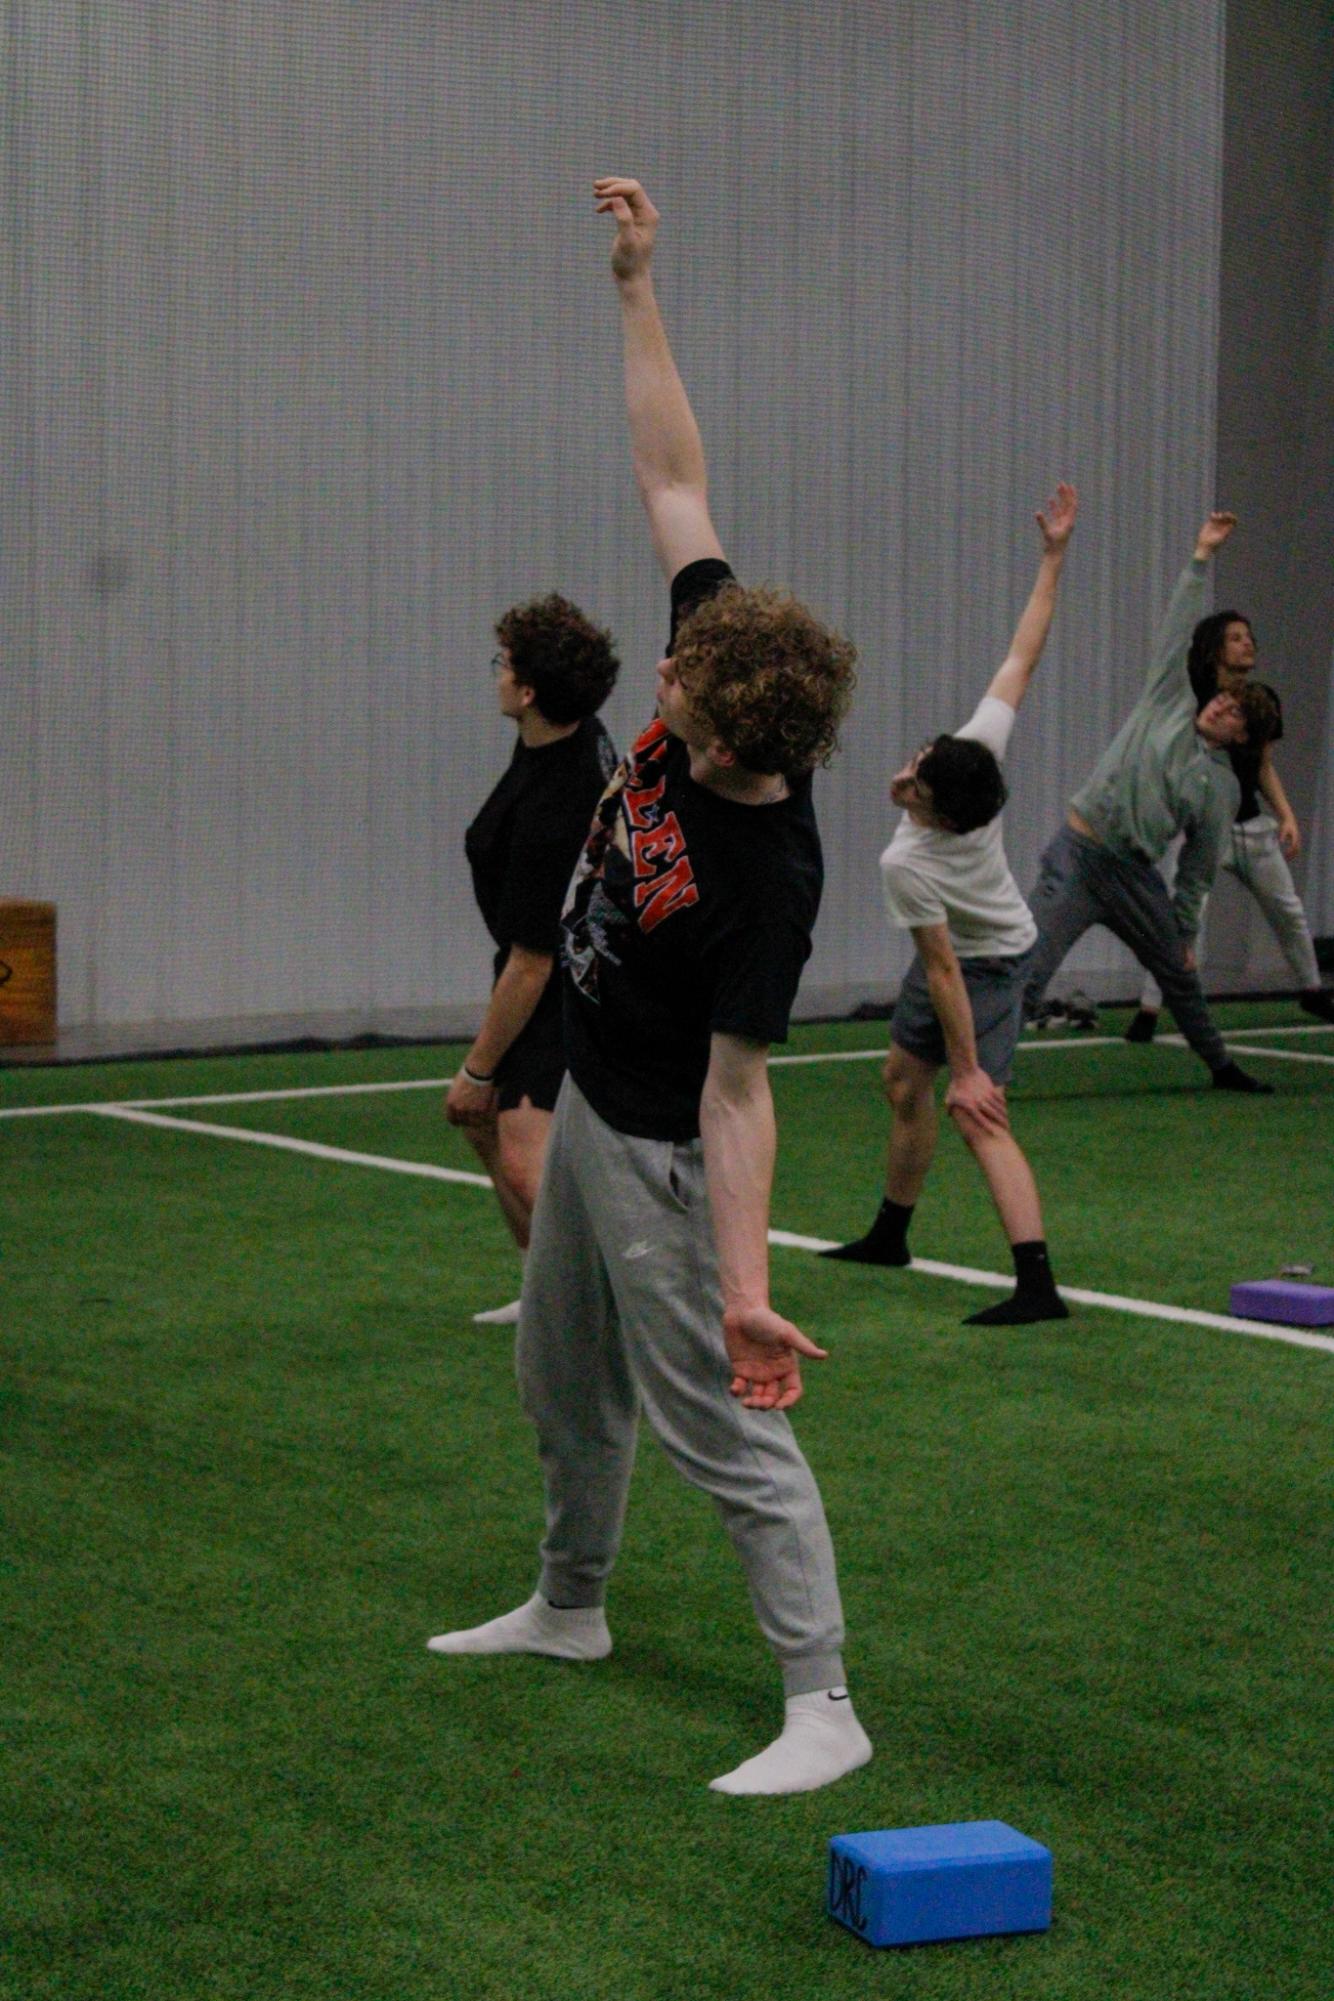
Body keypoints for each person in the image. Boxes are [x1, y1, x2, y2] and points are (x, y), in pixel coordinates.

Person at [428, 177, 869, 1799]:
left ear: (737, 734)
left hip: (670, 1154)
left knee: (721, 1426)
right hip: (594, 1106)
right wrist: (634, 284)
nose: (655, 679)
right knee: (557, 1379)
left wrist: (744, 1280)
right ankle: (569, 1605)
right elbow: (671, 469)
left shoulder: (769, 881)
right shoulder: (717, 651)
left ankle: (821, 1700)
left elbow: (740, 1091)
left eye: (676, 690)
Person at [821, 485, 1078, 1326]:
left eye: (916, 777)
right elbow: (1021, 657)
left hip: (992, 960)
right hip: (957, 953)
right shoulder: (977, 754)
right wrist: (1051, 557)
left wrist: (968, 1070)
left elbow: (943, 970)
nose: (908, 767)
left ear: (935, 809)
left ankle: (1037, 1287)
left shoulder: (909, 861)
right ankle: (891, 1234)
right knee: (902, 1079)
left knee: (978, 1113)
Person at [1021, 513, 1281, 1091]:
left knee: (1179, 976)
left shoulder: (1223, 789)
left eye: (1235, 713)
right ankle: (990, 1074)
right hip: (1079, 854)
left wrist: (1184, 935)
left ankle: (1221, 1066)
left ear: (1242, 737)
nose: (1221, 708)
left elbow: (1197, 869)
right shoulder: (1169, 698)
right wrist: (1200, 556)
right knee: (1031, 972)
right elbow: (1178, 624)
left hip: (1135, 878)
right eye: (1224, 701)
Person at [446, 596, 619, 1323]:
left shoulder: (560, 803)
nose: (497, 676)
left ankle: (616, 1298)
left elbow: (532, 961)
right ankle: (549, 1292)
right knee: (484, 1125)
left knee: (520, 1150)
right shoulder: (570, 738)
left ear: (528, 694)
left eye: (504, 665)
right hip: (545, 970)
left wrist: (477, 1066)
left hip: (562, 984)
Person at [1124, 605, 1334, 1039]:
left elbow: (1262, 765)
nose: (1248, 643)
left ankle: (1312, 989)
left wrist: (1287, 814)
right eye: (1237, 637)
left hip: (1253, 828)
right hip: (1206, 828)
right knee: (1184, 917)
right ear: (1216, 648)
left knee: (1288, 911)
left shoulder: (1261, 700)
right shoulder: (1197, 700)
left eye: (1250, 636)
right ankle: (1149, 1009)